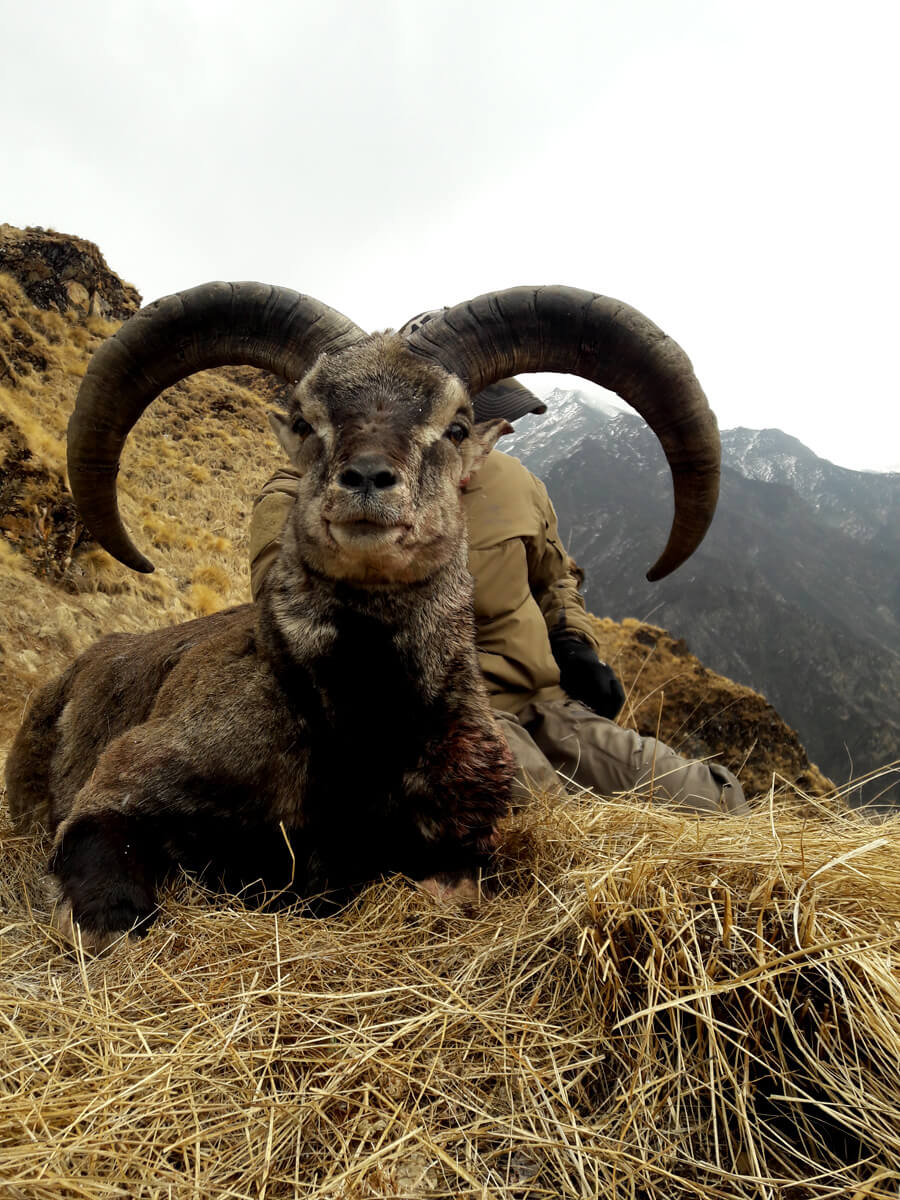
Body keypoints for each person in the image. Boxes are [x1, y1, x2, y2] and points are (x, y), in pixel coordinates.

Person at [249, 340, 748, 817]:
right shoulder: (312, 491)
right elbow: (284, 607)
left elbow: (556, 579)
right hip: (426, 723)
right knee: (562, 834)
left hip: (545, 708)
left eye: (469, 427)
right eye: (454, 421)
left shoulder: (518, 483)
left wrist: (575, 642)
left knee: (713, 801)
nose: (496, 430)